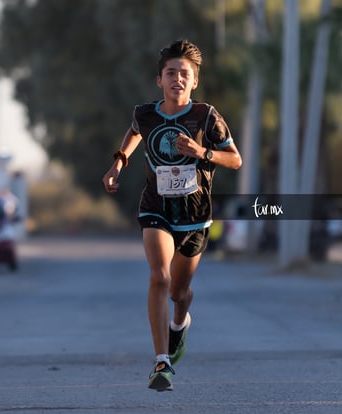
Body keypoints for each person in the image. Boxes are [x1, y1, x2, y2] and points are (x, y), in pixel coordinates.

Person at [102, 39, 242, 391]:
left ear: (194, 81)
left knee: (179, 292)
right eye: (170, 73)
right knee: (159, 278)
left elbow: (235, 159)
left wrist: (202, 151)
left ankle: (180, 323)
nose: (177, 79)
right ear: (159, 80)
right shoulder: (145, 113)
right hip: (156, 207)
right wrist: (118, 163)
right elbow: (135, 131)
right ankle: (161, 362)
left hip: (195, 215)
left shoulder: (206, 116)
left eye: (184, 74)